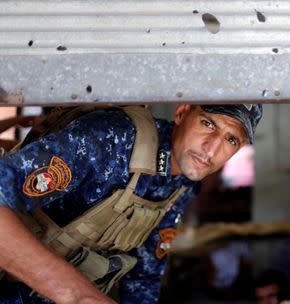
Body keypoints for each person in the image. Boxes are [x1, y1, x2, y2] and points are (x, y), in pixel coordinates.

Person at [0, 104, 263, 304]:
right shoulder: (111, 139)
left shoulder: (181, 183)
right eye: (208, 124)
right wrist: (80, 296)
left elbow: (144, 276)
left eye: (231, 139)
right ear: (182, 113)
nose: (212, 149)